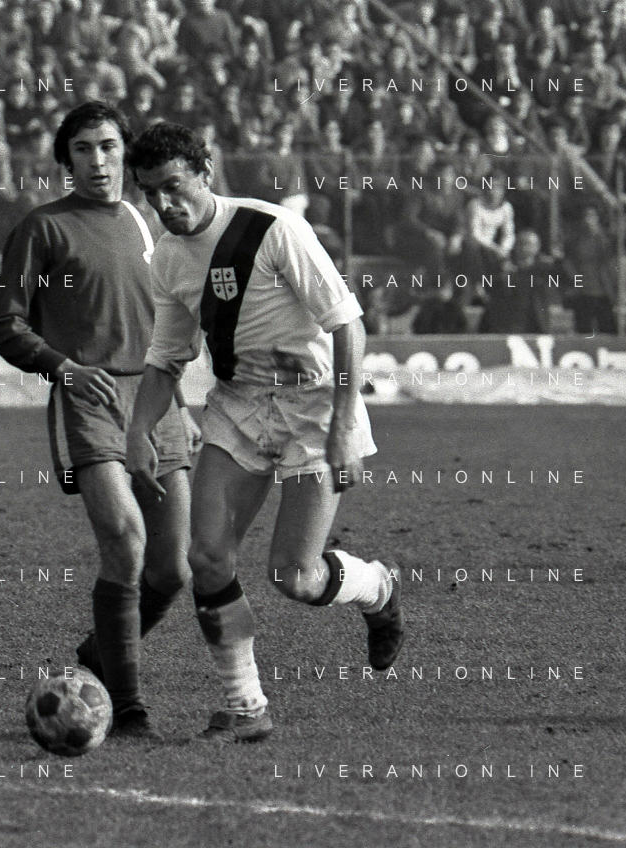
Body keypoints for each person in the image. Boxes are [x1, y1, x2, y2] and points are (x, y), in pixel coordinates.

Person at [125, 122, 404, 743]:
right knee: (207, 556)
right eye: (150, 193)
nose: (164, 204)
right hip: (238, 408)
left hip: (315, 408)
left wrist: (342, 424)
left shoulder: (273, 228)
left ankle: (376, 587)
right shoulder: (166, 258)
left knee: (294, 578)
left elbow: (347, 326)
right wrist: (139, 429)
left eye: (174, 187)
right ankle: (245, 706)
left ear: (206, 173)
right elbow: (167, 358)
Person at [0, 102, 200, 741]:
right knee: (125, 541)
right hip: (89, 399)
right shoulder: (43, 228)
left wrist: (181, 404)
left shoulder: (142, 220)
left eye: (108, 146)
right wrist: (63, 368)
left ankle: (96, 659)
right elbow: (5, 323)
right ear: (66, 160)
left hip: (156, 401)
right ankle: (129, 711)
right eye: (83, 149)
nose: (98, 161)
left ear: (125, 154)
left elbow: (161, 323)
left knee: (173, 570)